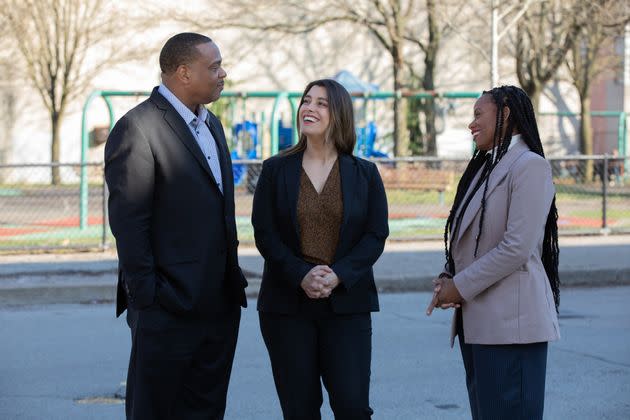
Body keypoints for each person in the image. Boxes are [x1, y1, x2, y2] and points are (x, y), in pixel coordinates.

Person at [104, 32, 247, 420]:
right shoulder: (138, 128)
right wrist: (150, 299)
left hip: (218, 304)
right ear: (183, 72)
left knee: (206, 410)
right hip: (167, 308)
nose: (223, 73)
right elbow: (130, 224)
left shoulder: (211, 124)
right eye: (214, 66)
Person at [251, 79, 389, 420]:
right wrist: (302, 275)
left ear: (339, 113)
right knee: (299, 410)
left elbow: (375, 235)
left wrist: (338, 275)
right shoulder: (275, 170)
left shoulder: (365, 174)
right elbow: (265, 234)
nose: (309, 108)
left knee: (353, 407)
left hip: (347, 305)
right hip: (287, 306)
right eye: (306, 101)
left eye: (321, 103)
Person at [426, 85, 561, 420]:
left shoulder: (529, 165)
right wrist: (449, 275)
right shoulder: (486, 167)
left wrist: (460, 287)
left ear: (505, 115)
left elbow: (517, 248)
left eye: (477, 115)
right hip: (479, 322)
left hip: (511, 326)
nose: (471, 124)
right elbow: (472, 237)